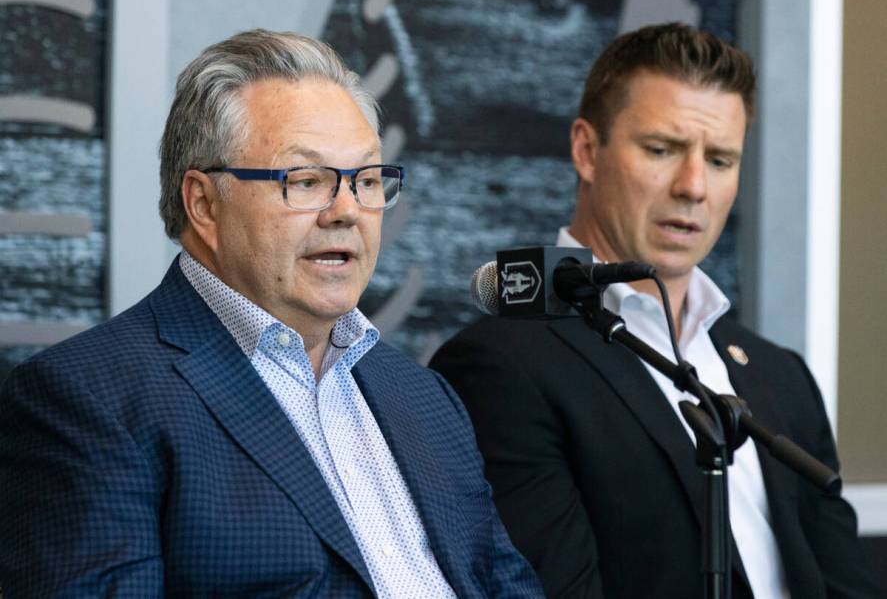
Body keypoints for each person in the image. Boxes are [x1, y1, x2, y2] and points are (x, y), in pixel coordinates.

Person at [0, 29, 543, 598]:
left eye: (365, 181)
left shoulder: (424, 398)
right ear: (204, 203)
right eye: (305, 181)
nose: (347, 212)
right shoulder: (87, 398)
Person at [430, 23, 882, 598]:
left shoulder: (780, 376)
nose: (693, 186)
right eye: (662, 150)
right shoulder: (499, 365)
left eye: (720, 160)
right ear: (587, 151)